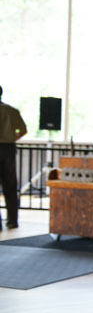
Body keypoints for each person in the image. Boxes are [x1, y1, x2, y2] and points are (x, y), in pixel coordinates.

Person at [0, 85, 27, 229]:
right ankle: (12, 221)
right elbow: (23, 130)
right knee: (10, 185)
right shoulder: (12, 111)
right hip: (8, 148)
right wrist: (11, 138)